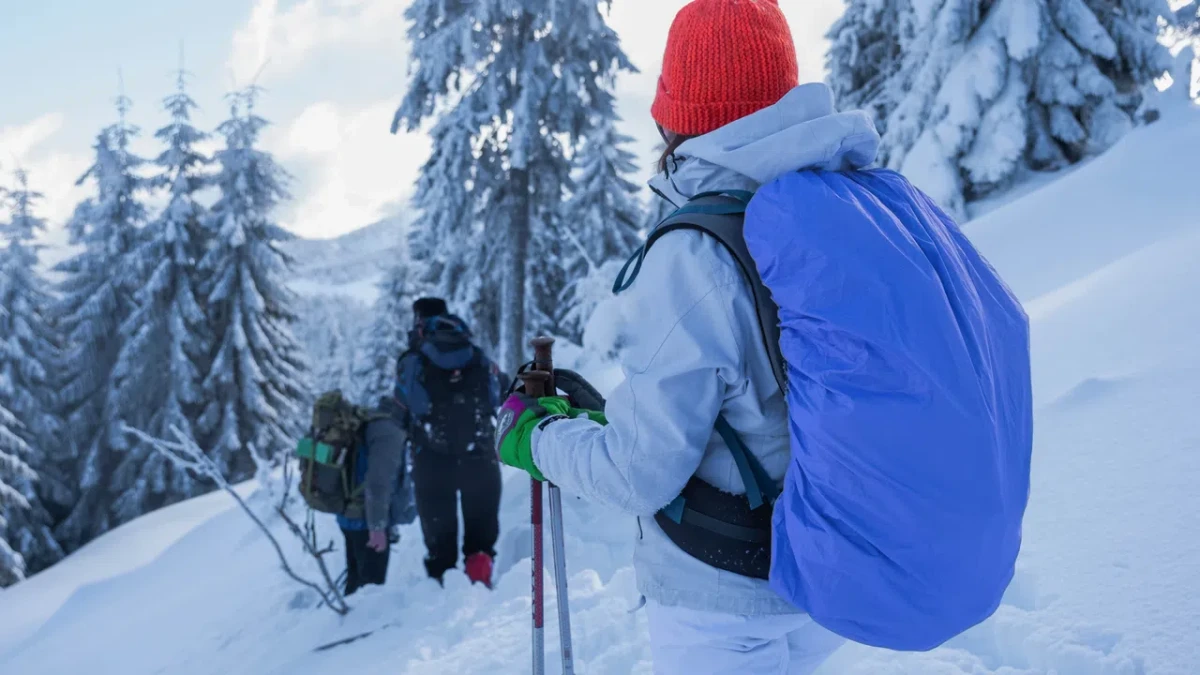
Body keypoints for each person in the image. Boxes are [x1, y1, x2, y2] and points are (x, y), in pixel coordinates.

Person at [495, 0, 868, 672]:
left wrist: (538, 437)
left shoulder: (697, 251)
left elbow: (640, 469)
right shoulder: (841, 199)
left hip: (722, 600)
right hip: (824, 571)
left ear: (681, 112)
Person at [395, 298, 505, 587]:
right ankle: (480, 583)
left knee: (439, 536)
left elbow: (403, 405)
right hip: (479, 454)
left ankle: (444, 590)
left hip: (431, 458)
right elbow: (500, 391)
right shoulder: (473, 353)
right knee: (481, 536)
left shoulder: (413, 359)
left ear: (418, 320)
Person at [336, 395, 408, 596]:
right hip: (366, 521)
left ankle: (344, 623)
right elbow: (378, 483)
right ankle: (361, 627)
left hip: (351, 515)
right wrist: (377, 528)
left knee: (355, 582)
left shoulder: (374, 420)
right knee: (369, 592)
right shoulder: (389, 432)